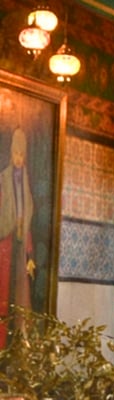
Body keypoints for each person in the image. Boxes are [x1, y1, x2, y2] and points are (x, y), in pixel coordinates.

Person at [0, 128, 35, 346]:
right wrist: (12, 224)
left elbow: (27, 215)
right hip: (4, 244)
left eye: (22, 154)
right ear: (11, 154)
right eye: (16, 153)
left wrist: (29, 253)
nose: (19, 158)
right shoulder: (4, 180)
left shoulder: (25, 181)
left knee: (19, 297)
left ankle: (16, 348)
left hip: (20, 244)